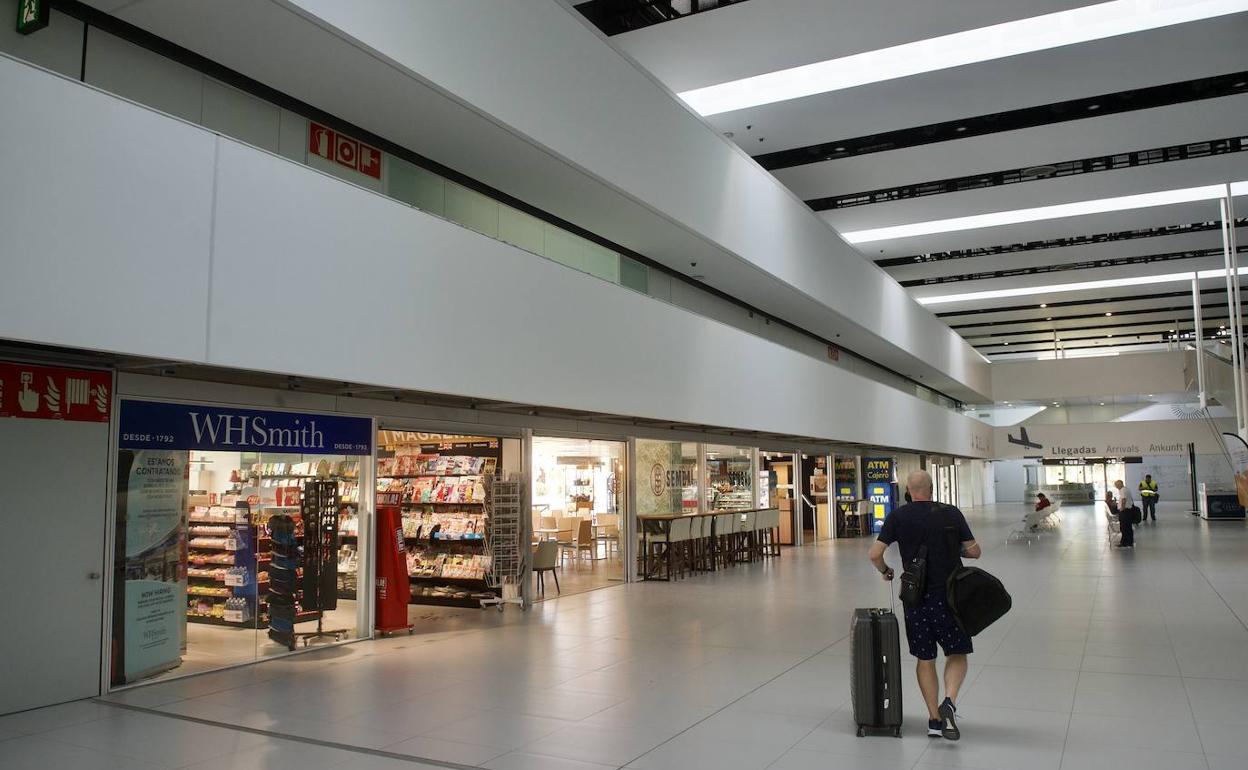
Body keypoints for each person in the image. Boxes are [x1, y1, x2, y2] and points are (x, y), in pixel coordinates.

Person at [868, 470, 981, 741]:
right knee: (957, 652)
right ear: (932, 488)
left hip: (915, 599)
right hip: (951, 597)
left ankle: (933, 719)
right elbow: (975, 551)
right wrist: (955, 550)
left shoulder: (898, 516)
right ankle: (949, 702)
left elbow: (874, 554)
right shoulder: (951, 513)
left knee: (925, 658)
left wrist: (885, 570)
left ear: (908, 490)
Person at [1113, 479, 1135, 548]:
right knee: (1126, 527)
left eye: (1117, 485)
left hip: (1125, 511)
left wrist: (1122, 508)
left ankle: (1126, 543)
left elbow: (1124, 500)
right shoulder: (1125, 489)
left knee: (1124, 527)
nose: (1116, 487)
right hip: (1127, 510)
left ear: (1120, 484)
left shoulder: (1123, 490)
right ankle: (1126, 542)